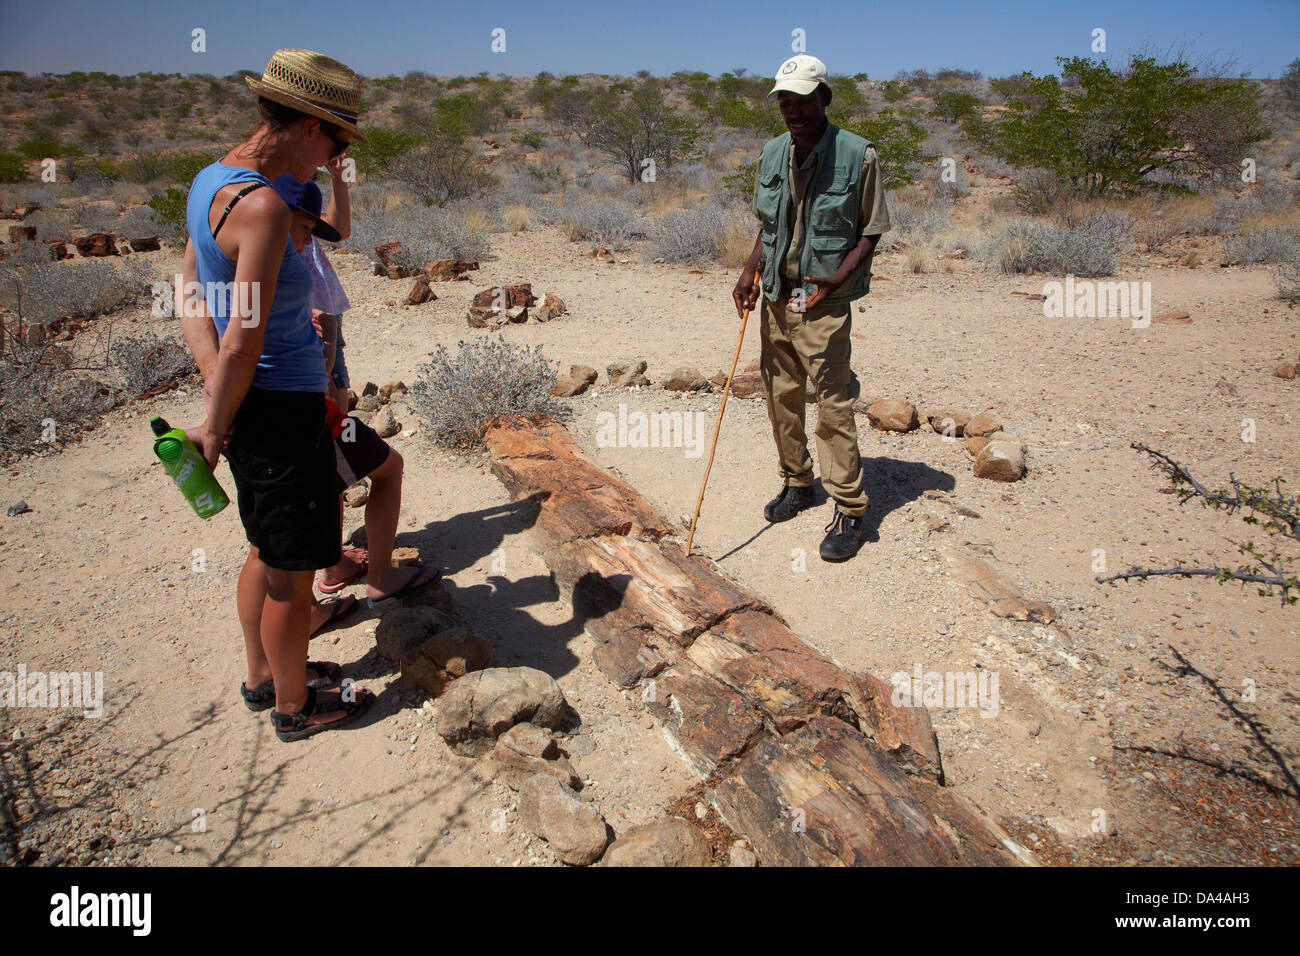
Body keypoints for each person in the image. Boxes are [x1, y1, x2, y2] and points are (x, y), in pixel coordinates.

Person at [176, 48, 375, 741]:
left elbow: (189, 294)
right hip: (282, 406)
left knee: (266, 550)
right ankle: (298, 707)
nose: (333, 160)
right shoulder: (261, 206)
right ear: (310, 129)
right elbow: (244, 338)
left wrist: (220, 399)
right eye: (338, 142)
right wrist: (214, 417)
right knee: (293, 572)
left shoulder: (211, 181)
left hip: (253, 404)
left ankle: (265, 678)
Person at [732, 54, 891, 562]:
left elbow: (871, 231)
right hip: (778, 293)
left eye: (802, 100)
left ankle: (850, 508)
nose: (793, 110)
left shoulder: (858, 155)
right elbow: (770, 224)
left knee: (832, 401)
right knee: (781, 393)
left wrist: (838, 277)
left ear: (824, 97)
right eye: (785, 101)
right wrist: (749, 270)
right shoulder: (773, 151)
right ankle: (798, 483)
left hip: (821, 299)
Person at [269, 173, 441, 612]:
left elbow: (338, 231)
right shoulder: (277, 268)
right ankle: (369, 580)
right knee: (359, 469)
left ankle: (332, 568)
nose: (310, 241)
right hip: (307, 401)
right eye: (305, 229)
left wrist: (338, 175)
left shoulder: (257, 257)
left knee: (322, 480)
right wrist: (324, 365)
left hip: (300, 393)